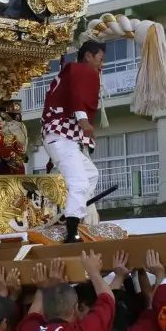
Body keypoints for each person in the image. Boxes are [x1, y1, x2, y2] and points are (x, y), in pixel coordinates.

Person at [41, 41, 105, 243]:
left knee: (90, 174)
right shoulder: (79, 70)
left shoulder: (70, 72)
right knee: (79, 183)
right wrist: (84, 122)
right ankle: (71, 230)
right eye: (100, 59)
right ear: (88, 56)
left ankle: (71, 214)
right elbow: (77, 98)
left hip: (61, 137)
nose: (101, 64)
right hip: (60, 136)